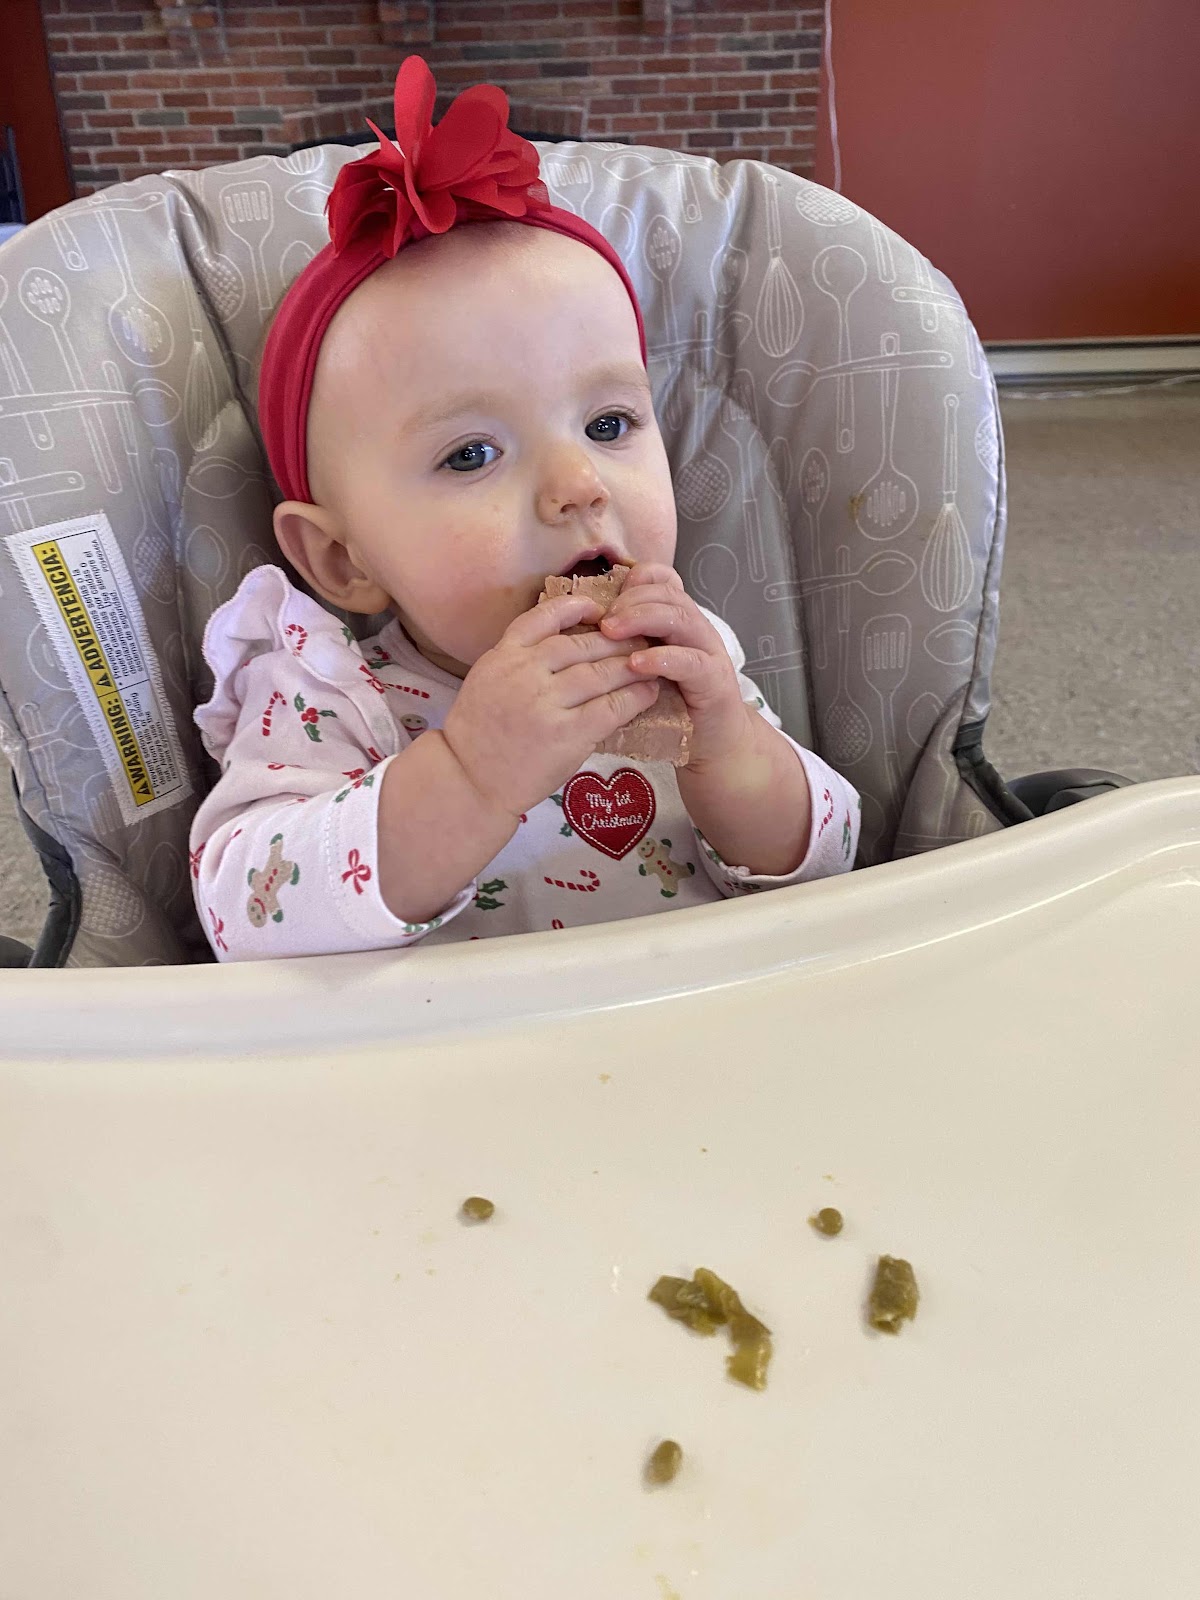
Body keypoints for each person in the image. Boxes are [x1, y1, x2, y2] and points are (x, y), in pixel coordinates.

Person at [190, 56, 860, 961]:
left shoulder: (684, 661)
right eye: (471, 454)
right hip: (458, 1048)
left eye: (609, 423)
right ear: (344, 561)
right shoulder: (328, 701)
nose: (579, 483)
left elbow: (830, 871)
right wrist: (470, 774)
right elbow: (243, 917)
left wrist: (730, 753)